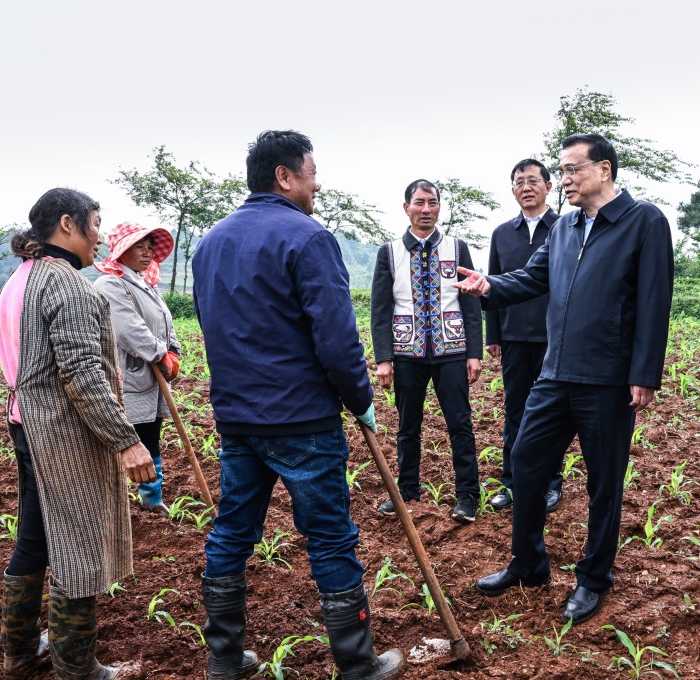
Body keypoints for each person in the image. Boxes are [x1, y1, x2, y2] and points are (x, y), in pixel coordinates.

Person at [192, 130, 402, 680]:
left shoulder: (209, 243)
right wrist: (360, 399)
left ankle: (224, 658)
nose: (317, 183)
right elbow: (336, 339)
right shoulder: (308, 238)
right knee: (331, 535)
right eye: (312, 172)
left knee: (232, 532)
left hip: (236, 418)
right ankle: (358, 664)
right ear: (284, 176)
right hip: (302, 419)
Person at [456, 133, 673, 625]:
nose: (566, 179)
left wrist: (644, 374)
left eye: (573, 169)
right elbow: (533, 278)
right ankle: (528, 563)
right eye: (564, 169)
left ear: (605, 170)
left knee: (603, 485)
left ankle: (594, 578)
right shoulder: (565, 226)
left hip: (608, 378)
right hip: (554, 373)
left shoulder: (644, 221)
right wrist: (488, 284)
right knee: (526, 462)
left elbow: (655, 301)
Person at [0, 188, 155, 679]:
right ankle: (79, 670)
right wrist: (126, 440)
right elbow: (82, 374)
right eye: (96, 222)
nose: (100, 235)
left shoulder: (20, 279)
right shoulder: (67, 286)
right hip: (63, 437)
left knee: (35, 539)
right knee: (80, 547)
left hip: (25, 426)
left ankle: (19, 653)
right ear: (68, 224)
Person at [370, 179, 483, 523]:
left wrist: (474, 353)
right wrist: (384, 358)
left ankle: (467, 496)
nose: (426, 210)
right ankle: (407, 493)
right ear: (406, 208)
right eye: (419, 203)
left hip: (452, 350)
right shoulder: (389, 252)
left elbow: (470, 304)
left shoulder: (456, 247)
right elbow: (381, 308)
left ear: (439, 207)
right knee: (408, 426)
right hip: (406, 352)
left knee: (460, 424)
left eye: (432, 203)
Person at [486, 159, 565, 513]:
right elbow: (493, 285)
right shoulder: (502, 233)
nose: (526, 187)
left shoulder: (567, 227)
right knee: (515, 410)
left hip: (554, 339)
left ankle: (550, 484)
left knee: (552, 415)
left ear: (549, 186)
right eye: (519, 181)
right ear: (513, 190)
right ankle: (512, 484)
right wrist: (494, 335)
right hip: (515, 338)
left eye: (533, 180)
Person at [94, 222, 181, 518]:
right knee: (129, 439)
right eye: (138, 247)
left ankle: (151, 499)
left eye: (148, 247)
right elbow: (129, 330)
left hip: (153, 376)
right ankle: (114, 502)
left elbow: (165, 323)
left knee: (151, 435)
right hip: (128, 377)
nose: (146, 253)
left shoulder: (146, 284)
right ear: (121, 251)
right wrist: (159, 354)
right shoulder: (110, 285)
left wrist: (173, 351)